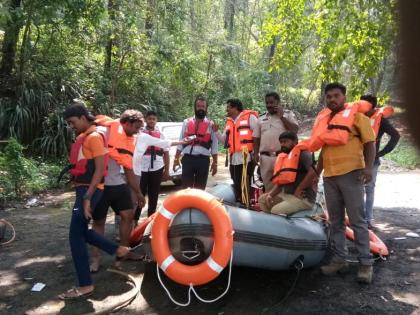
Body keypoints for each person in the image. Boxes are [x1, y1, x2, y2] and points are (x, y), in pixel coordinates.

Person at [59, 102, 129, 299]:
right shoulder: (86, 136)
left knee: (75, 237)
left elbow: (99, 170)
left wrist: (88, 198)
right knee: (81, 232)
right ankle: (118, 249)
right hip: (84, 190)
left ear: (82, 117)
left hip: (89, 192)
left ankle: (85, 285)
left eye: (72, 122)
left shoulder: (95, 137)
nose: (71, 126)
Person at [315, 83, 376, 284]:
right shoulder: (325, 121)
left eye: (336, 96)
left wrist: (368, 168)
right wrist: (317, 173)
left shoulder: (359, 117)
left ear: (344, 96)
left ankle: (365, 265)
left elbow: (369, 143)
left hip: (352, 174)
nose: (332, 99)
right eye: (329, 96)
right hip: (330, 176)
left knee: (358, 221)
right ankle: (340, 259)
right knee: (336, 222)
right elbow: (324, 150)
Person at [90, 110, 146, 272]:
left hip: (117, 184)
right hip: (100, 186)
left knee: (128, 217)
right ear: (126, 123)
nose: (137, 131)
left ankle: (124, 253)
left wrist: (138, 192)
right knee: (98, 222)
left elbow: (128, 168)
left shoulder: (127, 139)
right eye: (136, 127)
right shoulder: (100, 134)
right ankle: (95, 259)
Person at [360, 95, 400, 229]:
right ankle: (357, 219)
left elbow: (396, 135)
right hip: (356, 158)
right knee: (354, 188)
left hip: (372, 161)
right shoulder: (357, 116)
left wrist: (381, 153)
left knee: (369, 188)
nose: (362, 108)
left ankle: (369, 219)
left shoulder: (380, 120)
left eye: (365, 105)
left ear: (372, 107)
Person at [214, 98, 258, 207]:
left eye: (228, 107)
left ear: (235, 108)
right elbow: (224, 140)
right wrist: (216, 131)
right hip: (233, 158)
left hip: (246, 157)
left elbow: (258, 135)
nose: (226, 109)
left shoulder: (250, 117)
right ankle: (241, 204)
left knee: (245, 183)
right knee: (236, 182)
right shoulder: (229, 122)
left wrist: (256, 153)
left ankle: (247, 205)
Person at [258, 131, 316, 215]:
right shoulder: (285, 157)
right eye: (281, 142)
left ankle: (277, 221)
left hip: (303, 198)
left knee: (276, 210)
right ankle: (271, 223)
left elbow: (313, 172)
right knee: (263, 199)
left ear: (295, 142)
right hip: (287, 196)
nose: (282, 144)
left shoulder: (304, 154)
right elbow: (281, 182)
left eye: (285, 142)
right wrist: (271, 194)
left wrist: (300, 188)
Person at [253, 92, 299, 192]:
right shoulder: (260, 118)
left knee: (284, 187)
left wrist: (282, 117)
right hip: (265, 158)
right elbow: (256, 138)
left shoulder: (288, 114)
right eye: (267, 103)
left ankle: (282, 207)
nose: (269, 105)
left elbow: (295, 130)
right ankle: (269, 207)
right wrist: (255, 153)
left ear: (278, 102)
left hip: (283, 157)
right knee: (268, 187)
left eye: (271, 102)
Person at [173, 96, 219, 190]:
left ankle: (197, 205)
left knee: (200, 190)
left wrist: (215, 163)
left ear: (206, 108)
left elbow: (214, 146)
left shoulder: (211, 125)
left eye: (203, 106)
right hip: (188, 160)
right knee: (186, 189)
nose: (201, 108)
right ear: (195, 107)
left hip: (203, 161)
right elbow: (181, 141)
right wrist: (176, 158)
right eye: (198, 106)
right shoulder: (186, 122)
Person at [134, 111, 170, 222]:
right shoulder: (139, 134)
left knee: (154, 194)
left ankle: (150, 220)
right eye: (149, 118)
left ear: (156, 121)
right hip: (142, 168)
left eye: (154, 119)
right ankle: (135, 220)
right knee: (140, 193)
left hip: (157, 167)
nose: (151, 121)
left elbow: (166, 152)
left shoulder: (161, 134)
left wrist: (166, 170)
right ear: (145, 120)